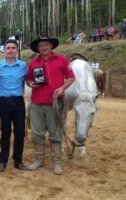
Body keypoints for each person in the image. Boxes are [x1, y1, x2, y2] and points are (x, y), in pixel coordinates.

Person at [26, 36, 75, 175]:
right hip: (37, 103)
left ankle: (57, 162)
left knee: (55, 133)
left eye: (46, 45)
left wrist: (62, 88)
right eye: (41, 45)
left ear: (51, 46)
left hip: (55, 103)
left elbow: (71, 77)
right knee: (37, 133)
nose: (44, 47)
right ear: (38, 48)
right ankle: (39, 160)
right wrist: (31, 84)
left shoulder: (62, 60)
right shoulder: (33, 63)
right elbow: (28, 80)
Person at [0, 40, 28, 172]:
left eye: (13, 48)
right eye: (8, 48)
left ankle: (18, 160)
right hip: (4, 103)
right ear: (4, 50)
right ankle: (3, 160)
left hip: (18, 102)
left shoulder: (23, 66)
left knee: (19, 133)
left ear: (17, 50)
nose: (11, 50)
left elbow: (29, 80)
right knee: (5, 133)